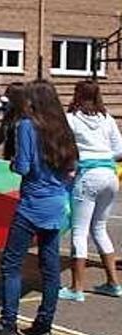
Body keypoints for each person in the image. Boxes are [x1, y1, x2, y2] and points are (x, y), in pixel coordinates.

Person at [0, 81, 78, 335]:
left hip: (32, 204)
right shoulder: (63, 129)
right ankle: (44, 325)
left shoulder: (26, 127)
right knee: (49, 268)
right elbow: (72, 169)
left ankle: (7, 325)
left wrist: (12, 166)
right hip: (56, 204)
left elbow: (23, 167)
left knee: (11, 264)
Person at [58, 80, 122, 301]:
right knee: (100, 227)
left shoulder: (72, 119)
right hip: (110, 174)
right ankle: (113, 283)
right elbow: (119, 149)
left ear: (77, 95)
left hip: (87, 175)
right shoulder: (107, 119)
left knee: (79, 230)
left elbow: (63, 147)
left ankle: (76, 288)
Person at [0, 83, 26, 159]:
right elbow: (0, 138)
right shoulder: (8, 114)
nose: (8, 102)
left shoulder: (30, 117)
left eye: (10, 98)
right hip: (9, 158)